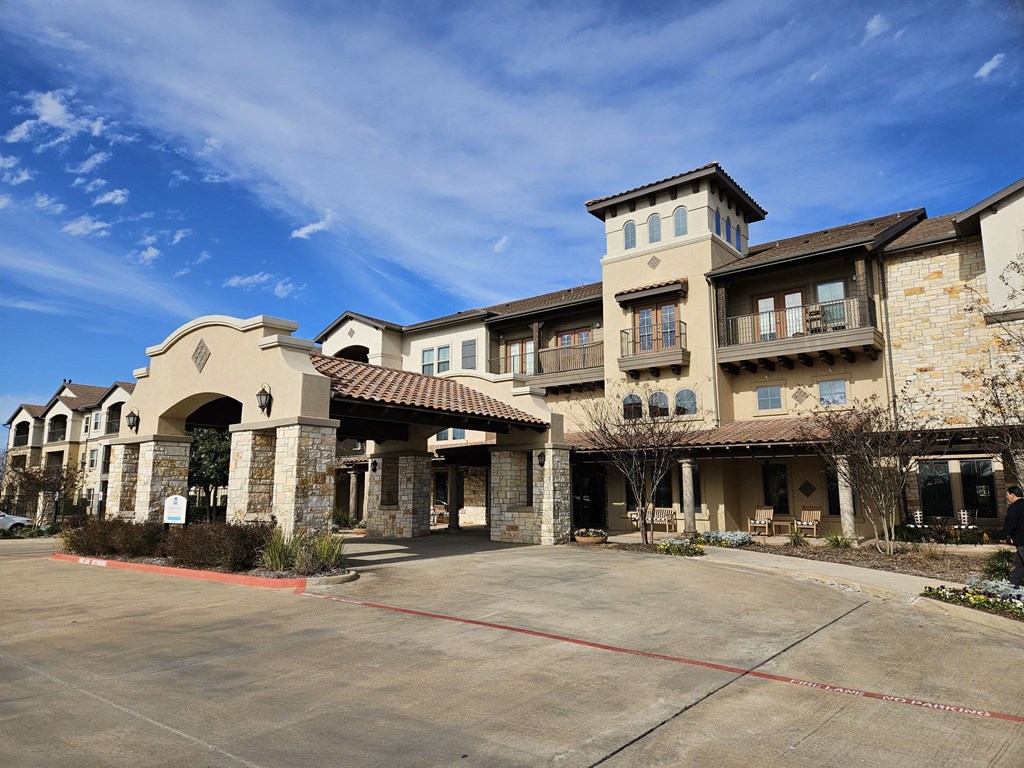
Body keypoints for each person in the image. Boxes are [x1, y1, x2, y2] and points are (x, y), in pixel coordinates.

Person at [1003, 486, 1024, 586]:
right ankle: (1013, 587)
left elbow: (1010, 523)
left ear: (1012, 495)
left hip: (1021, 541)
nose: (1007, 497)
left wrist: (1003, 536)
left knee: (1020, 565)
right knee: (1020, 565)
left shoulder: (1014, 507)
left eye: (1007, 495)